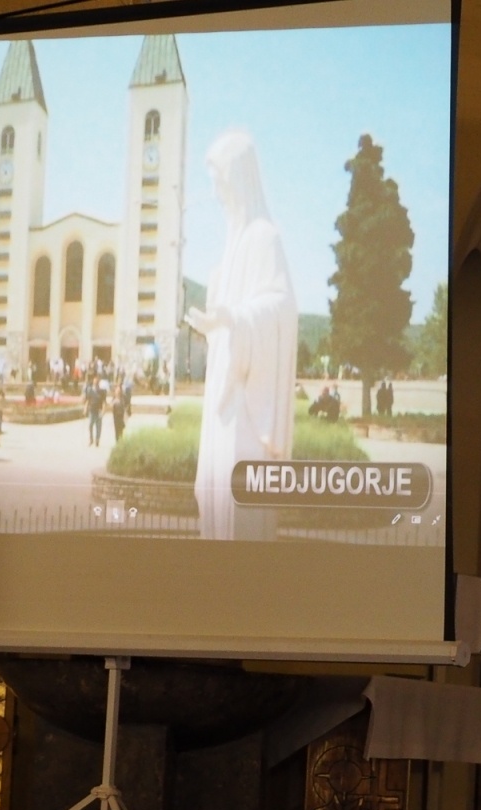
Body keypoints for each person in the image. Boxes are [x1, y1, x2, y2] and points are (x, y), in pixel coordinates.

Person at [186, 129, 298, 540]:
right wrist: (215, 321)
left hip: (248, 406)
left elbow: (282, 307)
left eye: (219, 181)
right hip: (223, 398)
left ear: (237, 179)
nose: (215, 193)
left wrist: (234, 318)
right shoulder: (232, 244)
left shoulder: (265, 237)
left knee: (240, 514)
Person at [85, 376, 106, 446]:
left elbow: (103, 402)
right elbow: (87, 400)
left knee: (98, 426)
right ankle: (91, 439)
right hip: (92, 410)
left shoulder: (102, 392)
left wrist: (103, 410)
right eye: (95, 382)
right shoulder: (90, 390)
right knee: (90, 425)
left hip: (99, 410)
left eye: (97, 382)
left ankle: (97, 440)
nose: (96, 383)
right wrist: (85, 409)